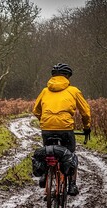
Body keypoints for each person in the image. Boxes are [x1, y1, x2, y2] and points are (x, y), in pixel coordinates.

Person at [32, 63, 91, 196]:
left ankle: (45, 176)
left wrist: (45, 120)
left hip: (46, 128)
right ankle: (72, 185)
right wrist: (86, 127)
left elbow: (35, 110)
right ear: (68, 77)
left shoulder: (45, 91)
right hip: (65, 129)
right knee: (70, 154)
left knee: (48, 152)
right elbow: (86, 112)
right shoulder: (74, 91)